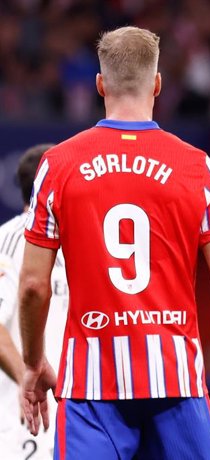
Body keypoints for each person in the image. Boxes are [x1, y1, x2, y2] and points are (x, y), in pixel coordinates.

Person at [19, 26, 210, 459]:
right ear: (157, 84)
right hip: (177, 378)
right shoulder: (197, 166)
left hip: (90, 384)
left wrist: (34, 361)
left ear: (100, 84)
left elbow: (32, 286)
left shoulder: (58, 164)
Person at [0, 144, 68, 460]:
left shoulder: (75, 244)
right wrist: (29, 376)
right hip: (25, 416)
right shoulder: (9, 240)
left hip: (72, 412)